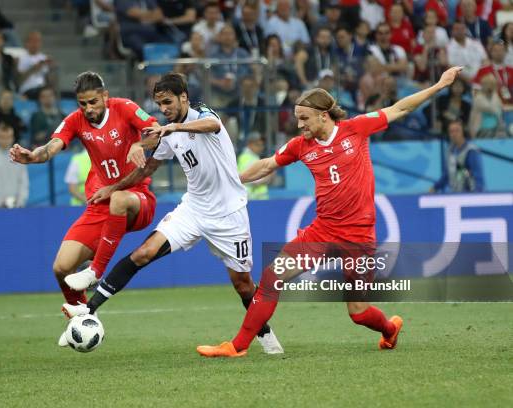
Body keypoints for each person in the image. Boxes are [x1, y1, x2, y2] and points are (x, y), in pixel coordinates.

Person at [196, 65, 464, 358]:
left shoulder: (357, 129)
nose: (299, 125)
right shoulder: (301, 146)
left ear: (323, 115)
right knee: (273, 277)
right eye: (298, 119)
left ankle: (389, 330)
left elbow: (400, 108)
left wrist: (439, 85)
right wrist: (232, 181)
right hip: (322, 231)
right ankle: (237, 346)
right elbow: (268, 164)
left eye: (304, 118)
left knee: (358, 312)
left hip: (359, 238)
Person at [61, 72, 284, 355]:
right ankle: (87, 309)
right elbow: (148, 169)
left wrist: (173, 128)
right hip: (192, 209)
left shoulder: (202, 114)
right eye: (159, 104)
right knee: (143, 253)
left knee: (242, 284)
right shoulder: (169, 133)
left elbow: (213, 124)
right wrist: (113, 188)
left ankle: (265, 336)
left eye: (168, 102)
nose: (163, 109)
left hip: (229, 214)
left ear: (183, 98)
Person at [9, 72, 159, 344]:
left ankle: (95, 272)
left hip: (138, 197)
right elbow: (53, 145)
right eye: (82, 104)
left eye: (93, 102)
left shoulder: (124, 108)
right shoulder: (76, 120)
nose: (88, 109)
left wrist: (139, 142)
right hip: (102, 203)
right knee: (61, 268)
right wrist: (33, 156)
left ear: (104, 96)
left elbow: (156, 131)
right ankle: (83, 319)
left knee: (119, 199)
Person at [430, 120, 484, 193]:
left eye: (457, 131)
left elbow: (477, 176)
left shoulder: (471, 151)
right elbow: (446, 175)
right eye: (451, 132)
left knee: (461, 169)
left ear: (463, 132)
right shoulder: (450, 151)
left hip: (470, 194)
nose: (454, 134)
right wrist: (435, 188)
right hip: (455, 194)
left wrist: (476, 194)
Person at [0, 121, 29, 208]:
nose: (5, 140)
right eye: (2, 137)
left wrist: (20, 201)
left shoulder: (20, 158)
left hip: (18, 206)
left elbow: (23, 181)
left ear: (12, 138)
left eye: (8, 137)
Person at [237, 132, 272, 200]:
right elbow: (245, 178)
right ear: (250, 144)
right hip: (252, 198)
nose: (261, 147)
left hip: (258, 198)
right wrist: (266, 178)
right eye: (257, 145)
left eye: (262, 145)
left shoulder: (254, 157)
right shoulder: (245, 157)